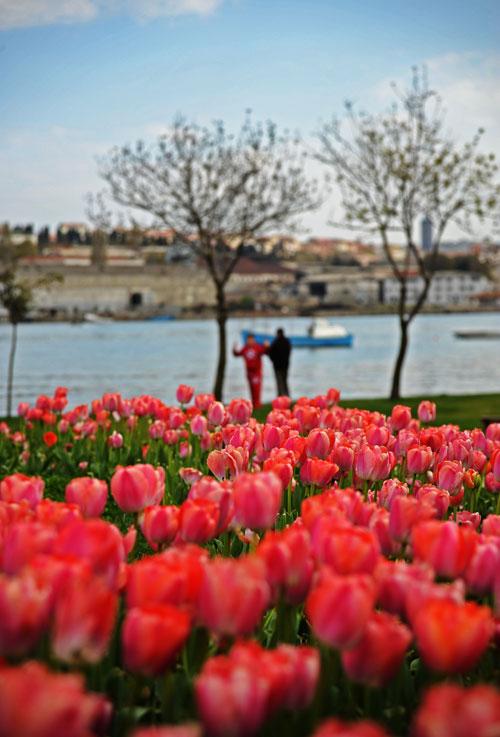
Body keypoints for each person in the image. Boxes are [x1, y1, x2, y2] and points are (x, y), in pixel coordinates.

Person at [233, 333, 269, 408]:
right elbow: (237, 354)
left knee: (257, 388)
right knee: (251, 388)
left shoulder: (258, 347)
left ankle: (257, 404)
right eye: (248, 340)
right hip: (249, 372)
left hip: (257, 372)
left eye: (251, 339)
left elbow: (265, 351)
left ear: (254, 340)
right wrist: (234, 349)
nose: (250, 341)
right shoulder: (245, 348)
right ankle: (253, 404)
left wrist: (266, 346)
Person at [268, 327, 292, 397]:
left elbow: (270, 353)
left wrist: (273, 361)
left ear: (277, 334)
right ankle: (287, 395)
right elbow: (289, 352)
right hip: (285, 365)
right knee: (285, 380)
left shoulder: (275, 342)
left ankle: (280, 395)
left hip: (277, 366)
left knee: (279, 381)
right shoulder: (287, 342)